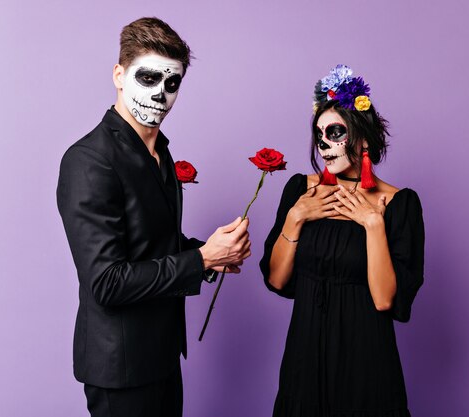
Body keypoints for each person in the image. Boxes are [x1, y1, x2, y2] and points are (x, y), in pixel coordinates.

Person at [56, 17, 251, 417]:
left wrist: (214, 252)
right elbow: (107, 282)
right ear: (118, 75)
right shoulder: (89, 161)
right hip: (121, 369)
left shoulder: (160, 154)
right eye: (147, 78)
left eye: (172, 84)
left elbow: (150, 245)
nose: (160, 95)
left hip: (162, 358)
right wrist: (202, 260)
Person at [260, 65, 425, 417]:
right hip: (304, 357)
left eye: (335, 132)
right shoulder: (299, 191)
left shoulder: (399, 204)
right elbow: (276, 280)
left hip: (365, 364)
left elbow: (384, 301)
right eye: (319, 135)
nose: (323, 145)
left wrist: (372, 225)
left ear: (362, 138)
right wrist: (296, 216)